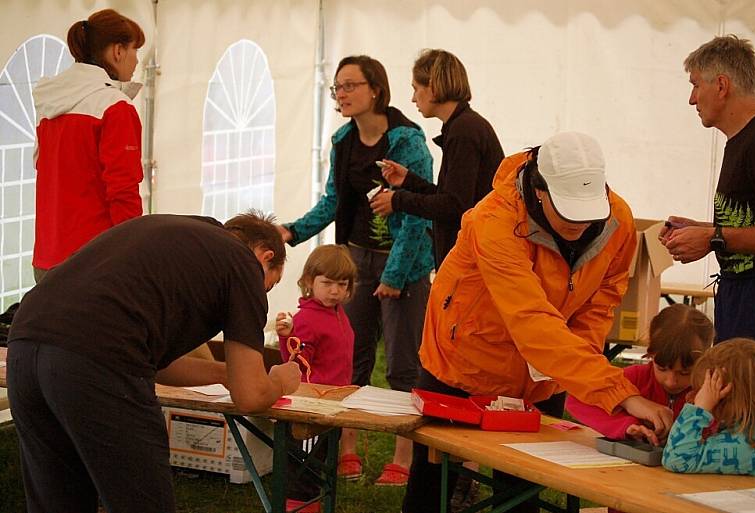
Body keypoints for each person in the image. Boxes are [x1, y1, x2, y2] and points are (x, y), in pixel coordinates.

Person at [402, 132, 675, 513]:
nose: (578, 224)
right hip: (461, 361)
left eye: (587, 211)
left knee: (524, 484)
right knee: (432, 485)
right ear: (541, 190)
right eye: (568, 211)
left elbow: (600, 305)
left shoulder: (618, 220)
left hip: (542, 374)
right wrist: (620, 393)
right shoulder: (494, 220)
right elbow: (530, 319)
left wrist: (579, 374)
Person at [6, 211, 302, 513]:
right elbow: (250, 396)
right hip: (97, 358)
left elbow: (155, 363)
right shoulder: (243, 264)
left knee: (58, 501)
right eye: (268, 286)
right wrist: (280, 380)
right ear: (265, 257)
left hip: (25, 346)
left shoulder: (179, 236)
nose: (261, 293)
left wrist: (226, 373)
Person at [278, 55, 434, 486]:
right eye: (337, 88)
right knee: (350, 359)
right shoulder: (343, 140)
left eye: (350, 86)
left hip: (404, 264)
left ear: (375, 90)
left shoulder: (407, 141)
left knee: (404, 365)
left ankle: (403, 455)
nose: (342, 95)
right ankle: (346, 448)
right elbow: (332, 202)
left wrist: (395, 276)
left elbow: (419, 216)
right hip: (354, 263)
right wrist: (292, 230)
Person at [660, 35, 755, 382]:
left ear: (721, 85)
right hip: (748, 296)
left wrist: (713, 238)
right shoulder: (747, 139)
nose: (691, 98)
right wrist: (702, 229)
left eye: (695, 85)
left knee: (747, 407)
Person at [32, 9, 146, 282]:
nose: (137, 60)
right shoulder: (115, 107)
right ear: (118, 51)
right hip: (94, 262)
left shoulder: (51, 104)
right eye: (134, 50)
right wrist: (138, 255)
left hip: (46, 258)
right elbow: (123, 192)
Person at [370, 48, 504, 269]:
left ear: (432, 87)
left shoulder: (464, 130)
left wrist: (397, 200)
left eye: (416, 88)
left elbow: (454, 206)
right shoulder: (462, 126)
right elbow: (454, 197)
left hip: (472, 262)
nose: (413, 98)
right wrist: (410, 181)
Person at [276, 244, 358, 513]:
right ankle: (299, 507)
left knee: (320, 462)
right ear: (309, 281)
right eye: (327, 283)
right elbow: (295, 360)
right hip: (310, 406)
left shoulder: (337, 313)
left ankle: (314, 504)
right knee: (304, 467)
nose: (335, 291)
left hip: (331, 404)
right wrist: (288, 335)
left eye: (342, 284)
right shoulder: (308, 318)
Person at [567, 304, 714, 445]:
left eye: (684, 373)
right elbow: (577, 400)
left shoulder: (713, 391)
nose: (671, 381)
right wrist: (628, 425)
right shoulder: (634, 378)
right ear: (651, 353)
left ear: (705, 361)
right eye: (662, 369)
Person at [663, 338, 755, 487]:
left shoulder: (750, 443)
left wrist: (700, 409)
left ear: (727, 398)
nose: (691, 397)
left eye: (703, 392)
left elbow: (676, 459)